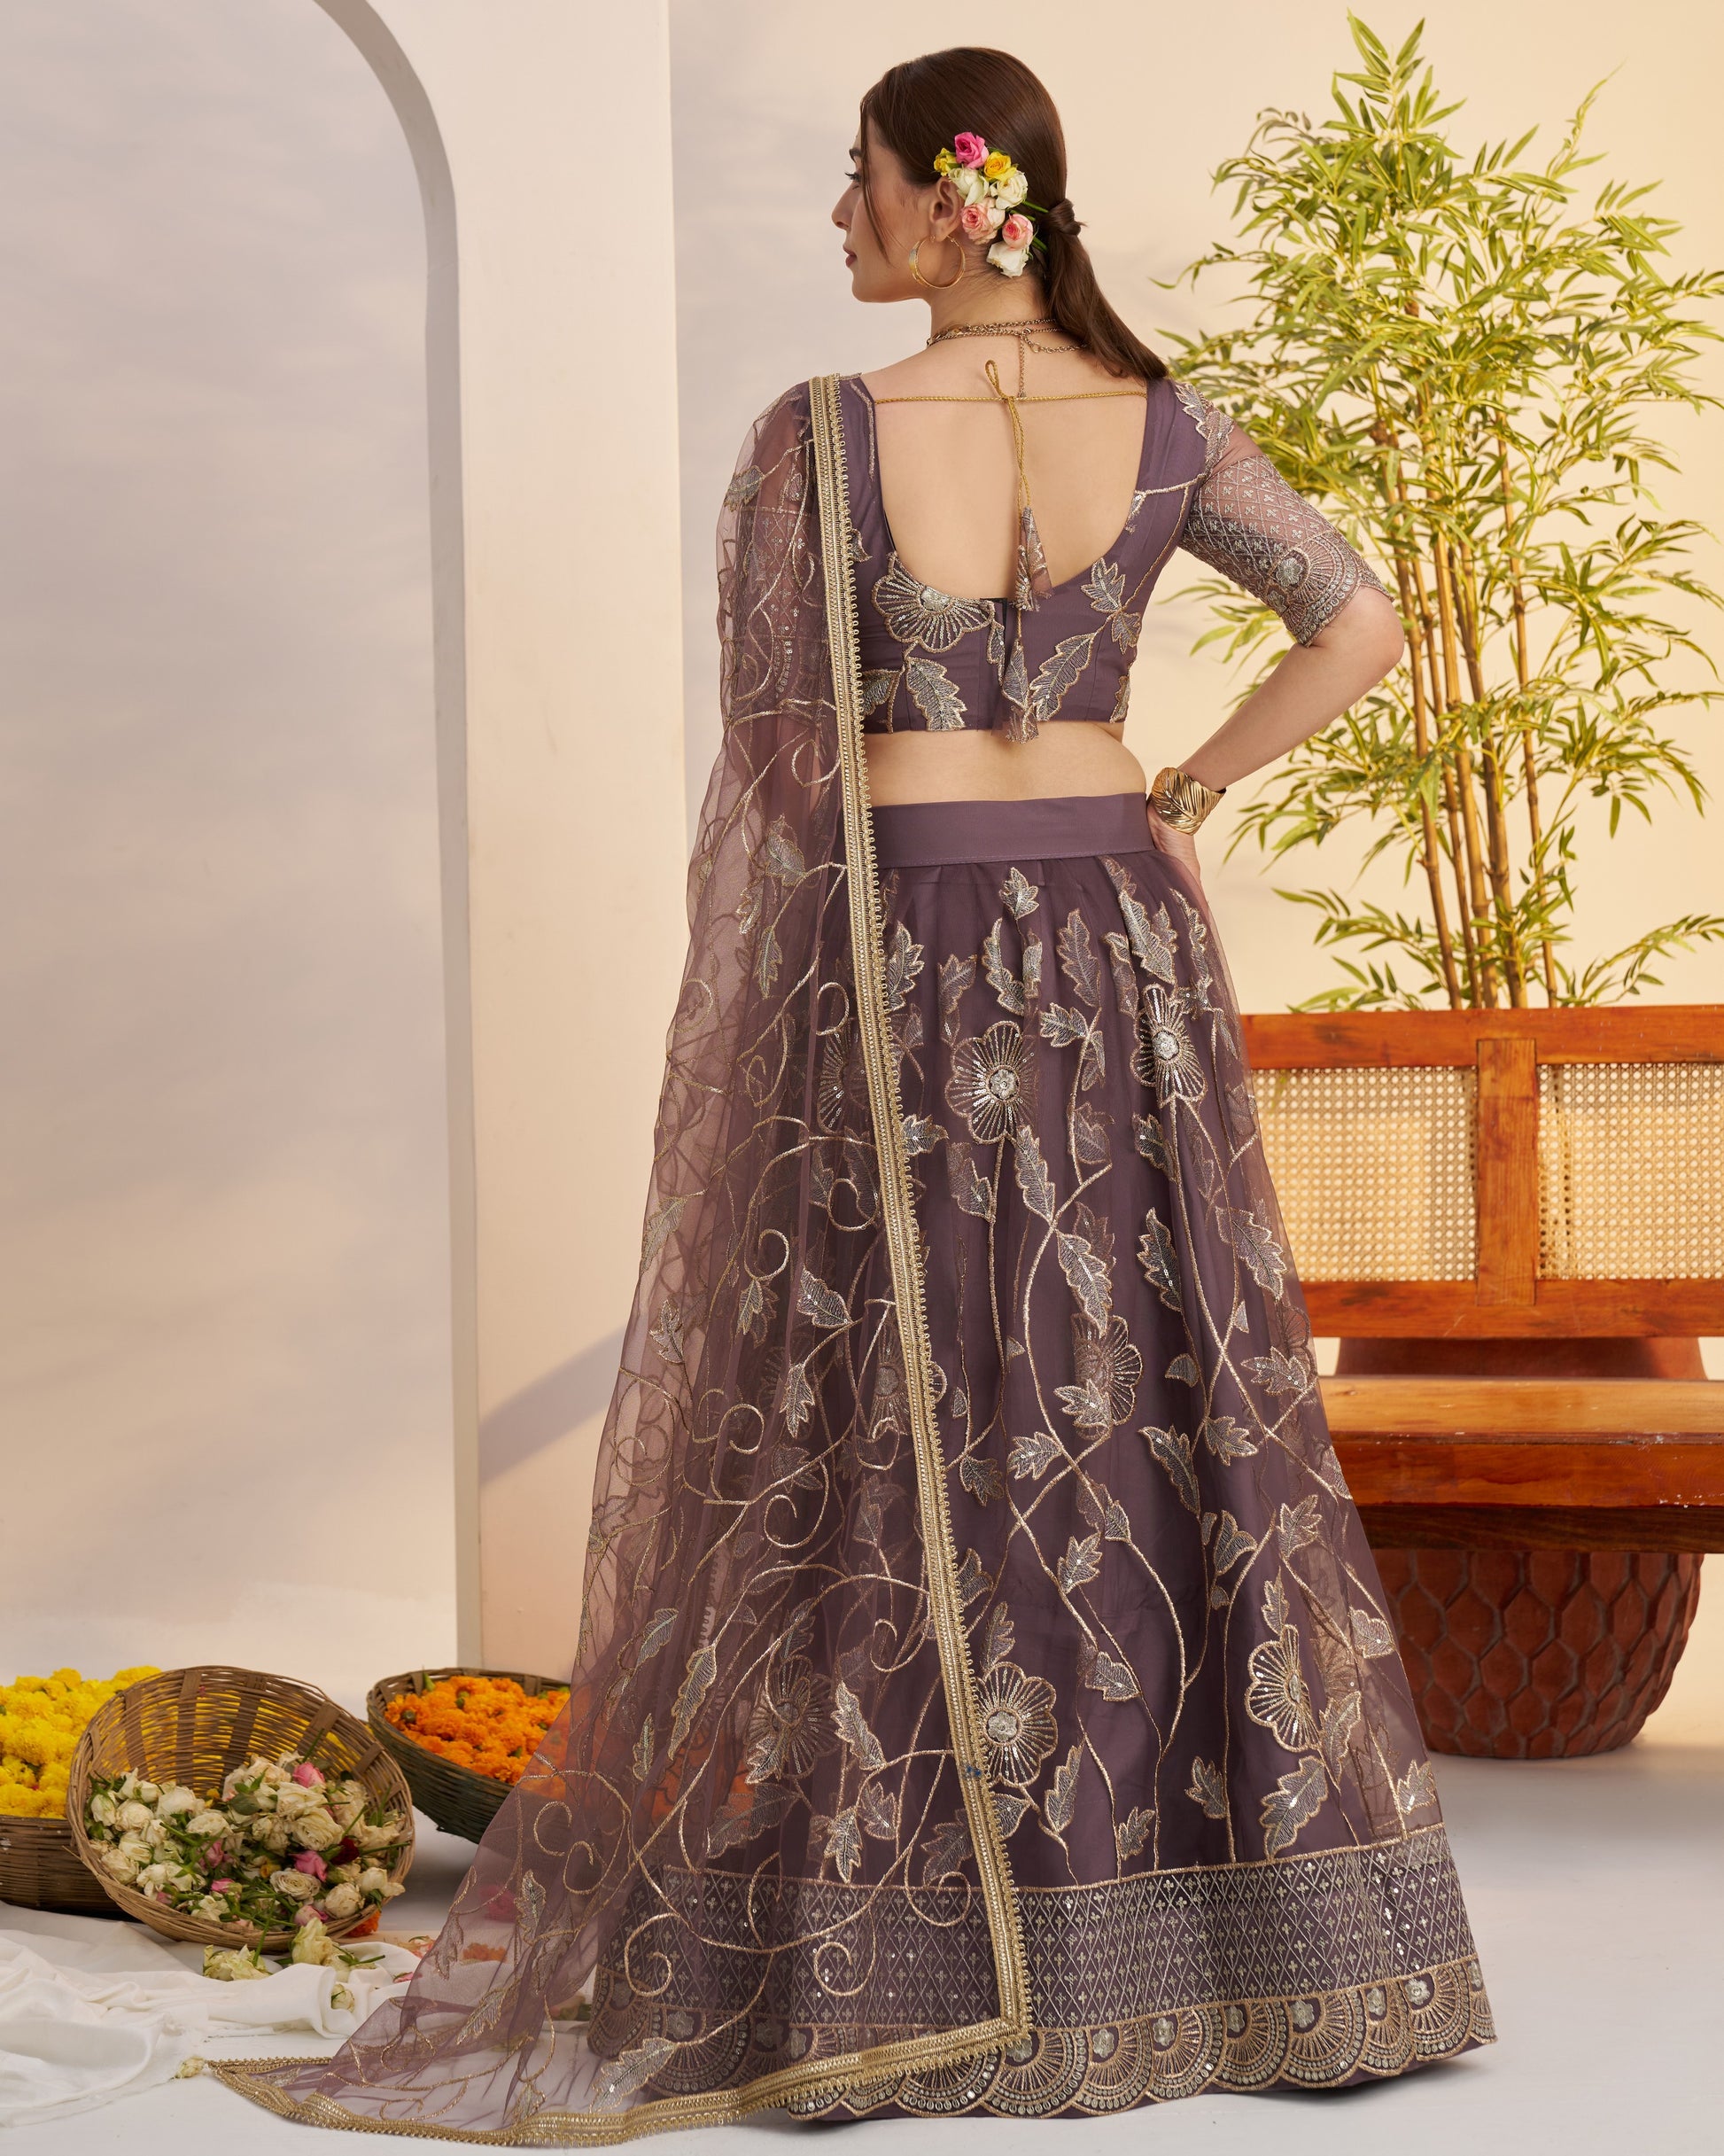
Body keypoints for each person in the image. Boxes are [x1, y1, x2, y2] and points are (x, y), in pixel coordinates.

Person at [217, 44, 1493, 2143]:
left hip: (904, 952)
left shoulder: (817, 438)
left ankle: (893, 1921)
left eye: (857, 181)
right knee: (1127, 1385)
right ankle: (1182, 1923)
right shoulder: (1168, 428)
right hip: (1111, 945)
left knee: (897, 1400)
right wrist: (1184, 784)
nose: (838, 219)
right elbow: (1352, 623)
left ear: (940, 204)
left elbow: (773, 761)